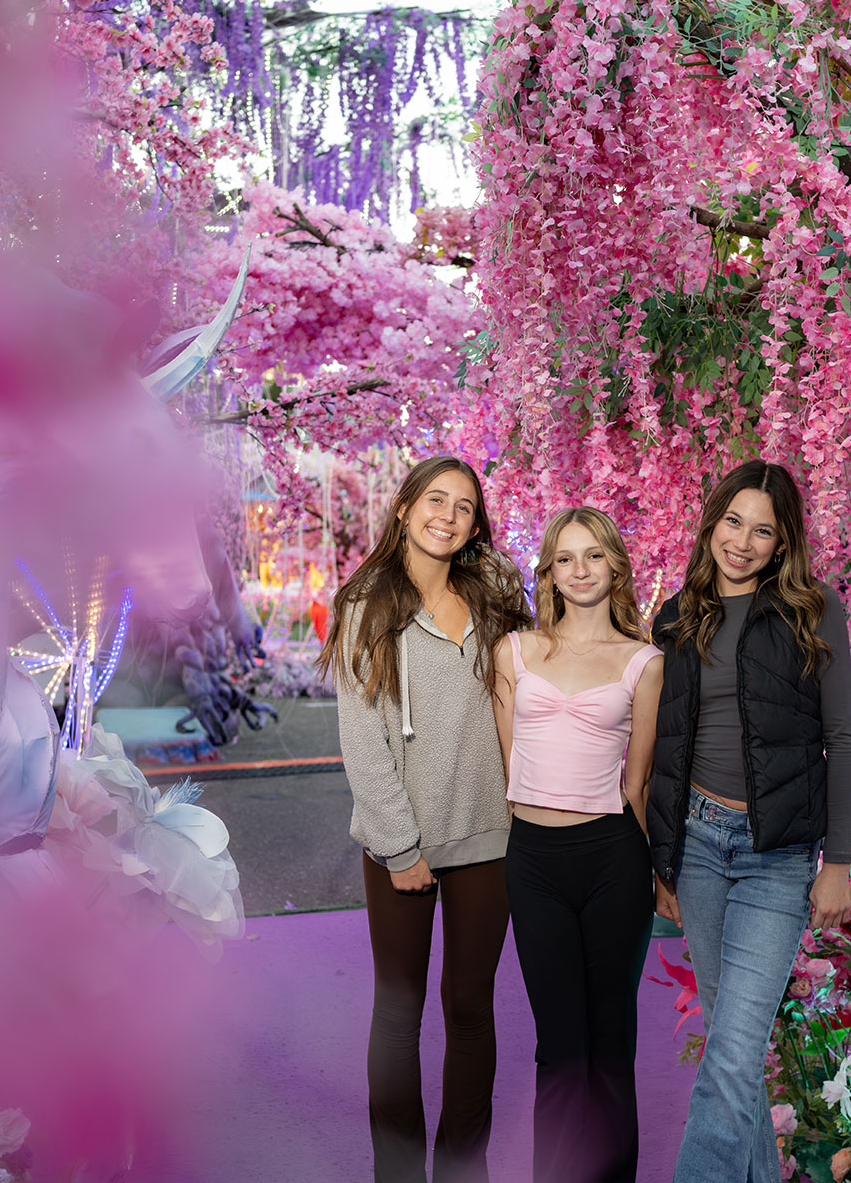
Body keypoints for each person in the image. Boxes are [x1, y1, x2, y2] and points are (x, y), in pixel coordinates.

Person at [316, 455, 533, 1183]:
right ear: (404, 508)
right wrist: (400, 847)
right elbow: (363, 743)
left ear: (476, 523)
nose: (448, 514)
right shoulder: (366, 605)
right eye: (435, 499)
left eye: (464, 506)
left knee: (472, 1007)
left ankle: (463, 1172)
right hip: (399, 844)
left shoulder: (495, 597)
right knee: (399, 1013)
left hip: (488, 837)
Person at [645, 461, 851, 1183]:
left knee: (733, 1055)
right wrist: (663, 860)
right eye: (733, 521)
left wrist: (839, 861)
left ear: (781, 544)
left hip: (778, 855)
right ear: (712, 523)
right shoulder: (676, 616)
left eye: (762, 531)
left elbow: (843, 737)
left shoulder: (814, 608)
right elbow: (665, 747)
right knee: (734, 1058)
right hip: (699, 847)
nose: (742, 541)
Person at [491, 507, 664, 1183]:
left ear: (615, 566)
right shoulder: (515, 652)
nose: (581, 569)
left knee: (610, 1044)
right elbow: (513, 770)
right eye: (566, 558)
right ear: (550, 573)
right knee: (559, 1049)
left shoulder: (643, 662)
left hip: (613, 861)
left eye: (594, 555)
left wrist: (661, 879)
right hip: (533, 863)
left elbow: (639, 782)